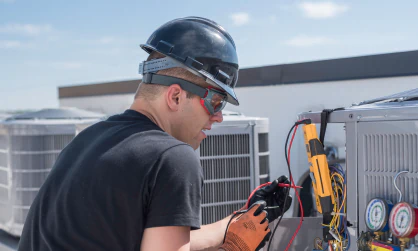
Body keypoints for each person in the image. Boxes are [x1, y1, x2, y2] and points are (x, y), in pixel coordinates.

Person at [18, 17, 291, 251]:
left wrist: (237, 222)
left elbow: (157, 241)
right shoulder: (172, 158)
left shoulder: (86, 142)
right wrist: (234, 246)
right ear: (175, 96)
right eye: (216, 102)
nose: (218, 116)